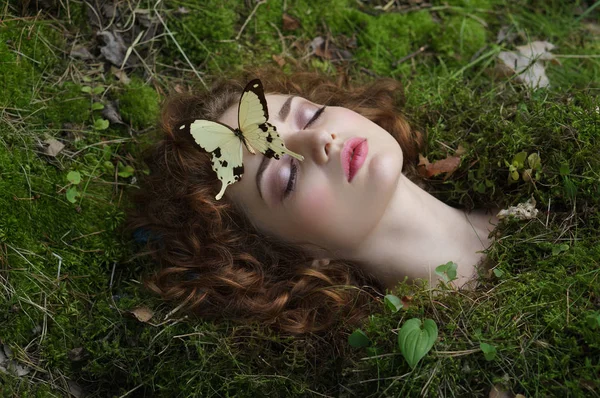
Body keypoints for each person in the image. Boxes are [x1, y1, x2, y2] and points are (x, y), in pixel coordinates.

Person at [126, 68, 499, 334]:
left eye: (310, 115)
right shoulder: (438, 365)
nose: (320, 139)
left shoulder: (546, 190)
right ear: (290, 256)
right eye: (285, 176)